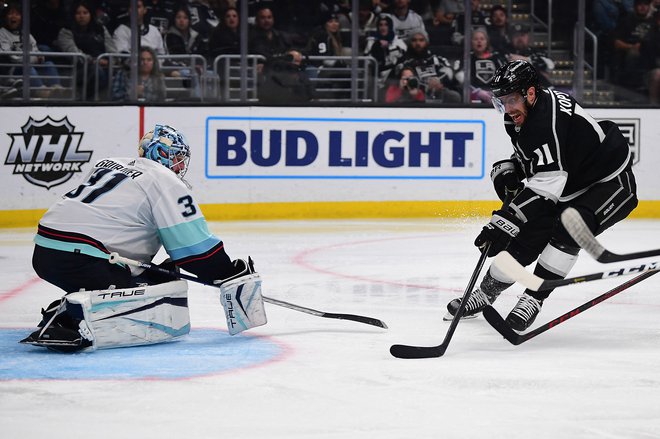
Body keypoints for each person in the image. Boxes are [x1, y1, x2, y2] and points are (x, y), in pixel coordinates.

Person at [25, 124, 265, 351]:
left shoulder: (108, 163)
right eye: (177, 158)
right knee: (165, 295)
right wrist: (228, 273)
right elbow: (197, 252)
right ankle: (72, 317)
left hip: (45, 252)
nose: (181, 167)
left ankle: (80, 301)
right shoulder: (164, 180)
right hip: (82, 258)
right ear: (162, 154)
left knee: (162, 272)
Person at [446, 60, 638, 331]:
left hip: (609, 184)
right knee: (524, 238)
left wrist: (506, 218)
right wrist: (514, 167)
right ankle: (486, 293)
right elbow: (545, 159)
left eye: (511, 99)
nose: (507, 109)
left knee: (569, 228)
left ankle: (533, 298)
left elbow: (549, 181)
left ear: (531, 93)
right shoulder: (523, 115)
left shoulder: (546, 119)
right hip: (568, 184)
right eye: (501, 101)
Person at [57, 0, 117, 100]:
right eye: (78, 13)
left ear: (91, 14)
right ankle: (91, 100)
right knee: (97, 71)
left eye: (85, 13)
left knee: (118, 72)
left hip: (104, 66)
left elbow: (112, 51)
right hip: (79, 69)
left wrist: (111, 61)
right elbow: (74, 54)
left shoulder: (100, 29)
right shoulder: (66, 31)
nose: (82, 16)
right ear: (73, 15)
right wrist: (95, 61)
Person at [395, 31, 461, 103]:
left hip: (438, 90)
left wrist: (438, 80)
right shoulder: (404, 61)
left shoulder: (436, 58)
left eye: (421, 40)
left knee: (455, 96)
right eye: (414, 40)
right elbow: (404, 78)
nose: (418, 43)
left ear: (426, 42)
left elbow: (449, 72)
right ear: (409, 43)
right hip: (415, 93)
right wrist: (426, 86)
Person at [454, 27, 506, 103]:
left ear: (487, 42)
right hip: (473, 95)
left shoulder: (496, 58)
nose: (479, 41)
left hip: (495, 95)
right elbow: (459, 77)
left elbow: (505, 77)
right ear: (471, 42)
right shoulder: (466, 58)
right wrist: (477, 92)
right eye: (476, 39)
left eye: (482, 39)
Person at [363, 14, 407, 89]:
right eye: (380, 25)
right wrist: (377, 46)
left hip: (394, 81)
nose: (383, 28)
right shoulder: (371, 42)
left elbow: (403, 61)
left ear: (390, 26)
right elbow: (367, 64)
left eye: (386, 25)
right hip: (376, 81)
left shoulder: (399, 42)